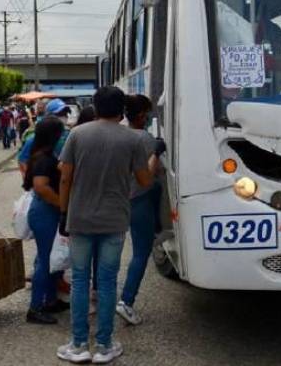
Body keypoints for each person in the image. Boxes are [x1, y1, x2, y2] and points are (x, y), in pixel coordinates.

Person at [56, 86, 154, 364]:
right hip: (114, 220)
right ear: (122, 109)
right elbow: (145, 181)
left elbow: (65, 178)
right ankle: (103, 345)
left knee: (79, 280)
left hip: (80, 218)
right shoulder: (132, 140)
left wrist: (64, 213)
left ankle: (77, 345)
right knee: (108, 282)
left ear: (96, 107)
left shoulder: (77, 134)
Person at [116, 95, 164, 326]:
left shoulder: (119, 135)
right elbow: (150, 174)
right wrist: (157, 152)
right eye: (147, 112)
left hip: (119, 200)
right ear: (142, 114)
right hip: (140, 200)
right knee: (140, 253)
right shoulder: (144, 138)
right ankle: (126, 301)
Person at [24, 117, 70, 325]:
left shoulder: (43, 155)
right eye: (61, 133)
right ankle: (35, 308)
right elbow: (41, 187)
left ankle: (50, 300)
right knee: (44, 261)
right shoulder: (44, 159)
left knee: (51, 259)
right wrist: (61, 204)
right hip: (45, 213)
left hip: (45, 212)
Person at [18, 99, 71, 181]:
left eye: (65, 114)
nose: (64, 117)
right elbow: (22, 161)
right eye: (60, 114)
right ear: (48, 115)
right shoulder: (37, 136)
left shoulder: (69, 135)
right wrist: (32, 180)